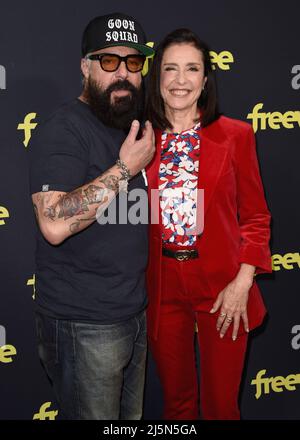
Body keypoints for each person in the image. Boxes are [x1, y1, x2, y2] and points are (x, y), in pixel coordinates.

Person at [29, 12, 155, 420]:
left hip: (131, 313)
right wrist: (123, 169)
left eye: (133, 63)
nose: (123, 73)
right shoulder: (64, 129)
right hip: (85, 325)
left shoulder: (125, 125)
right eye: (109, 61)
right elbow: (52, 223)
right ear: (85, 67)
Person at [146, 28, 272, 420]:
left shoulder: (235, 135)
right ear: (158, 78)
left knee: (221, 407)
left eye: (191, 69)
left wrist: (242, 281)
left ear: (204, 80)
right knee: (177, 405)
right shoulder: (139, 138)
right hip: (162, 284)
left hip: (222, 286)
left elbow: (255, 217)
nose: (180, 80)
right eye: (171, 69)